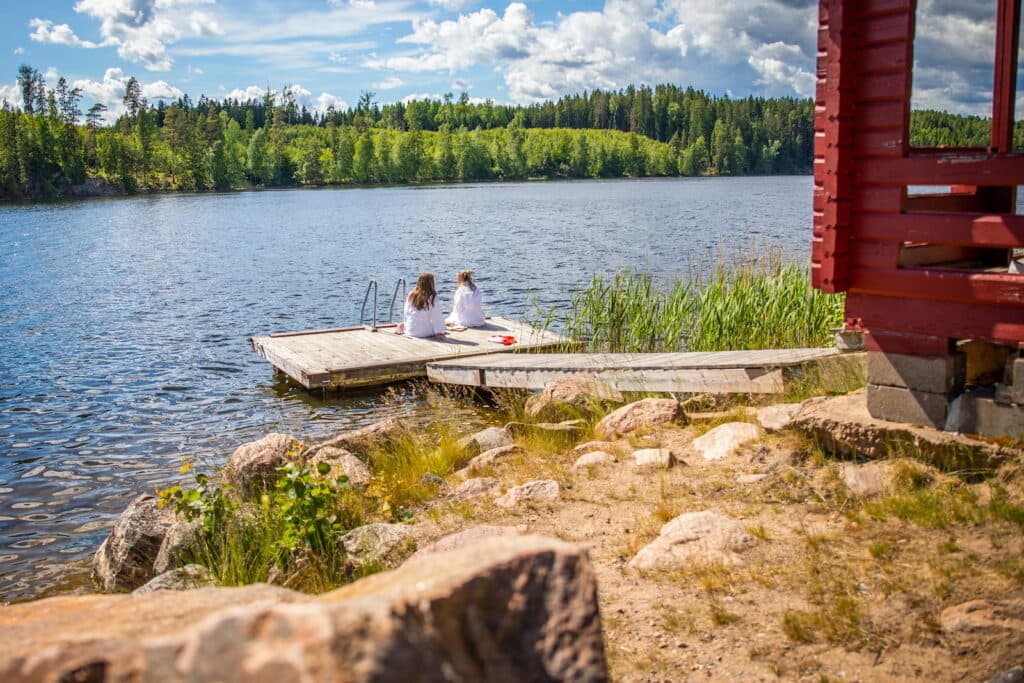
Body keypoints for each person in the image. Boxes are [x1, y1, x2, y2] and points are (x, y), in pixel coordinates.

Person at [395, 273, 445, 339]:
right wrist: (438, 332)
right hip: (425, 332)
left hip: (411, 330)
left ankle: (403, 325)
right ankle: (404, 325)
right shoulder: (432, 296)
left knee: (410, 321)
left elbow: (406, 311)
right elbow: (436, 316)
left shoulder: (411, 294)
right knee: (442, 329)